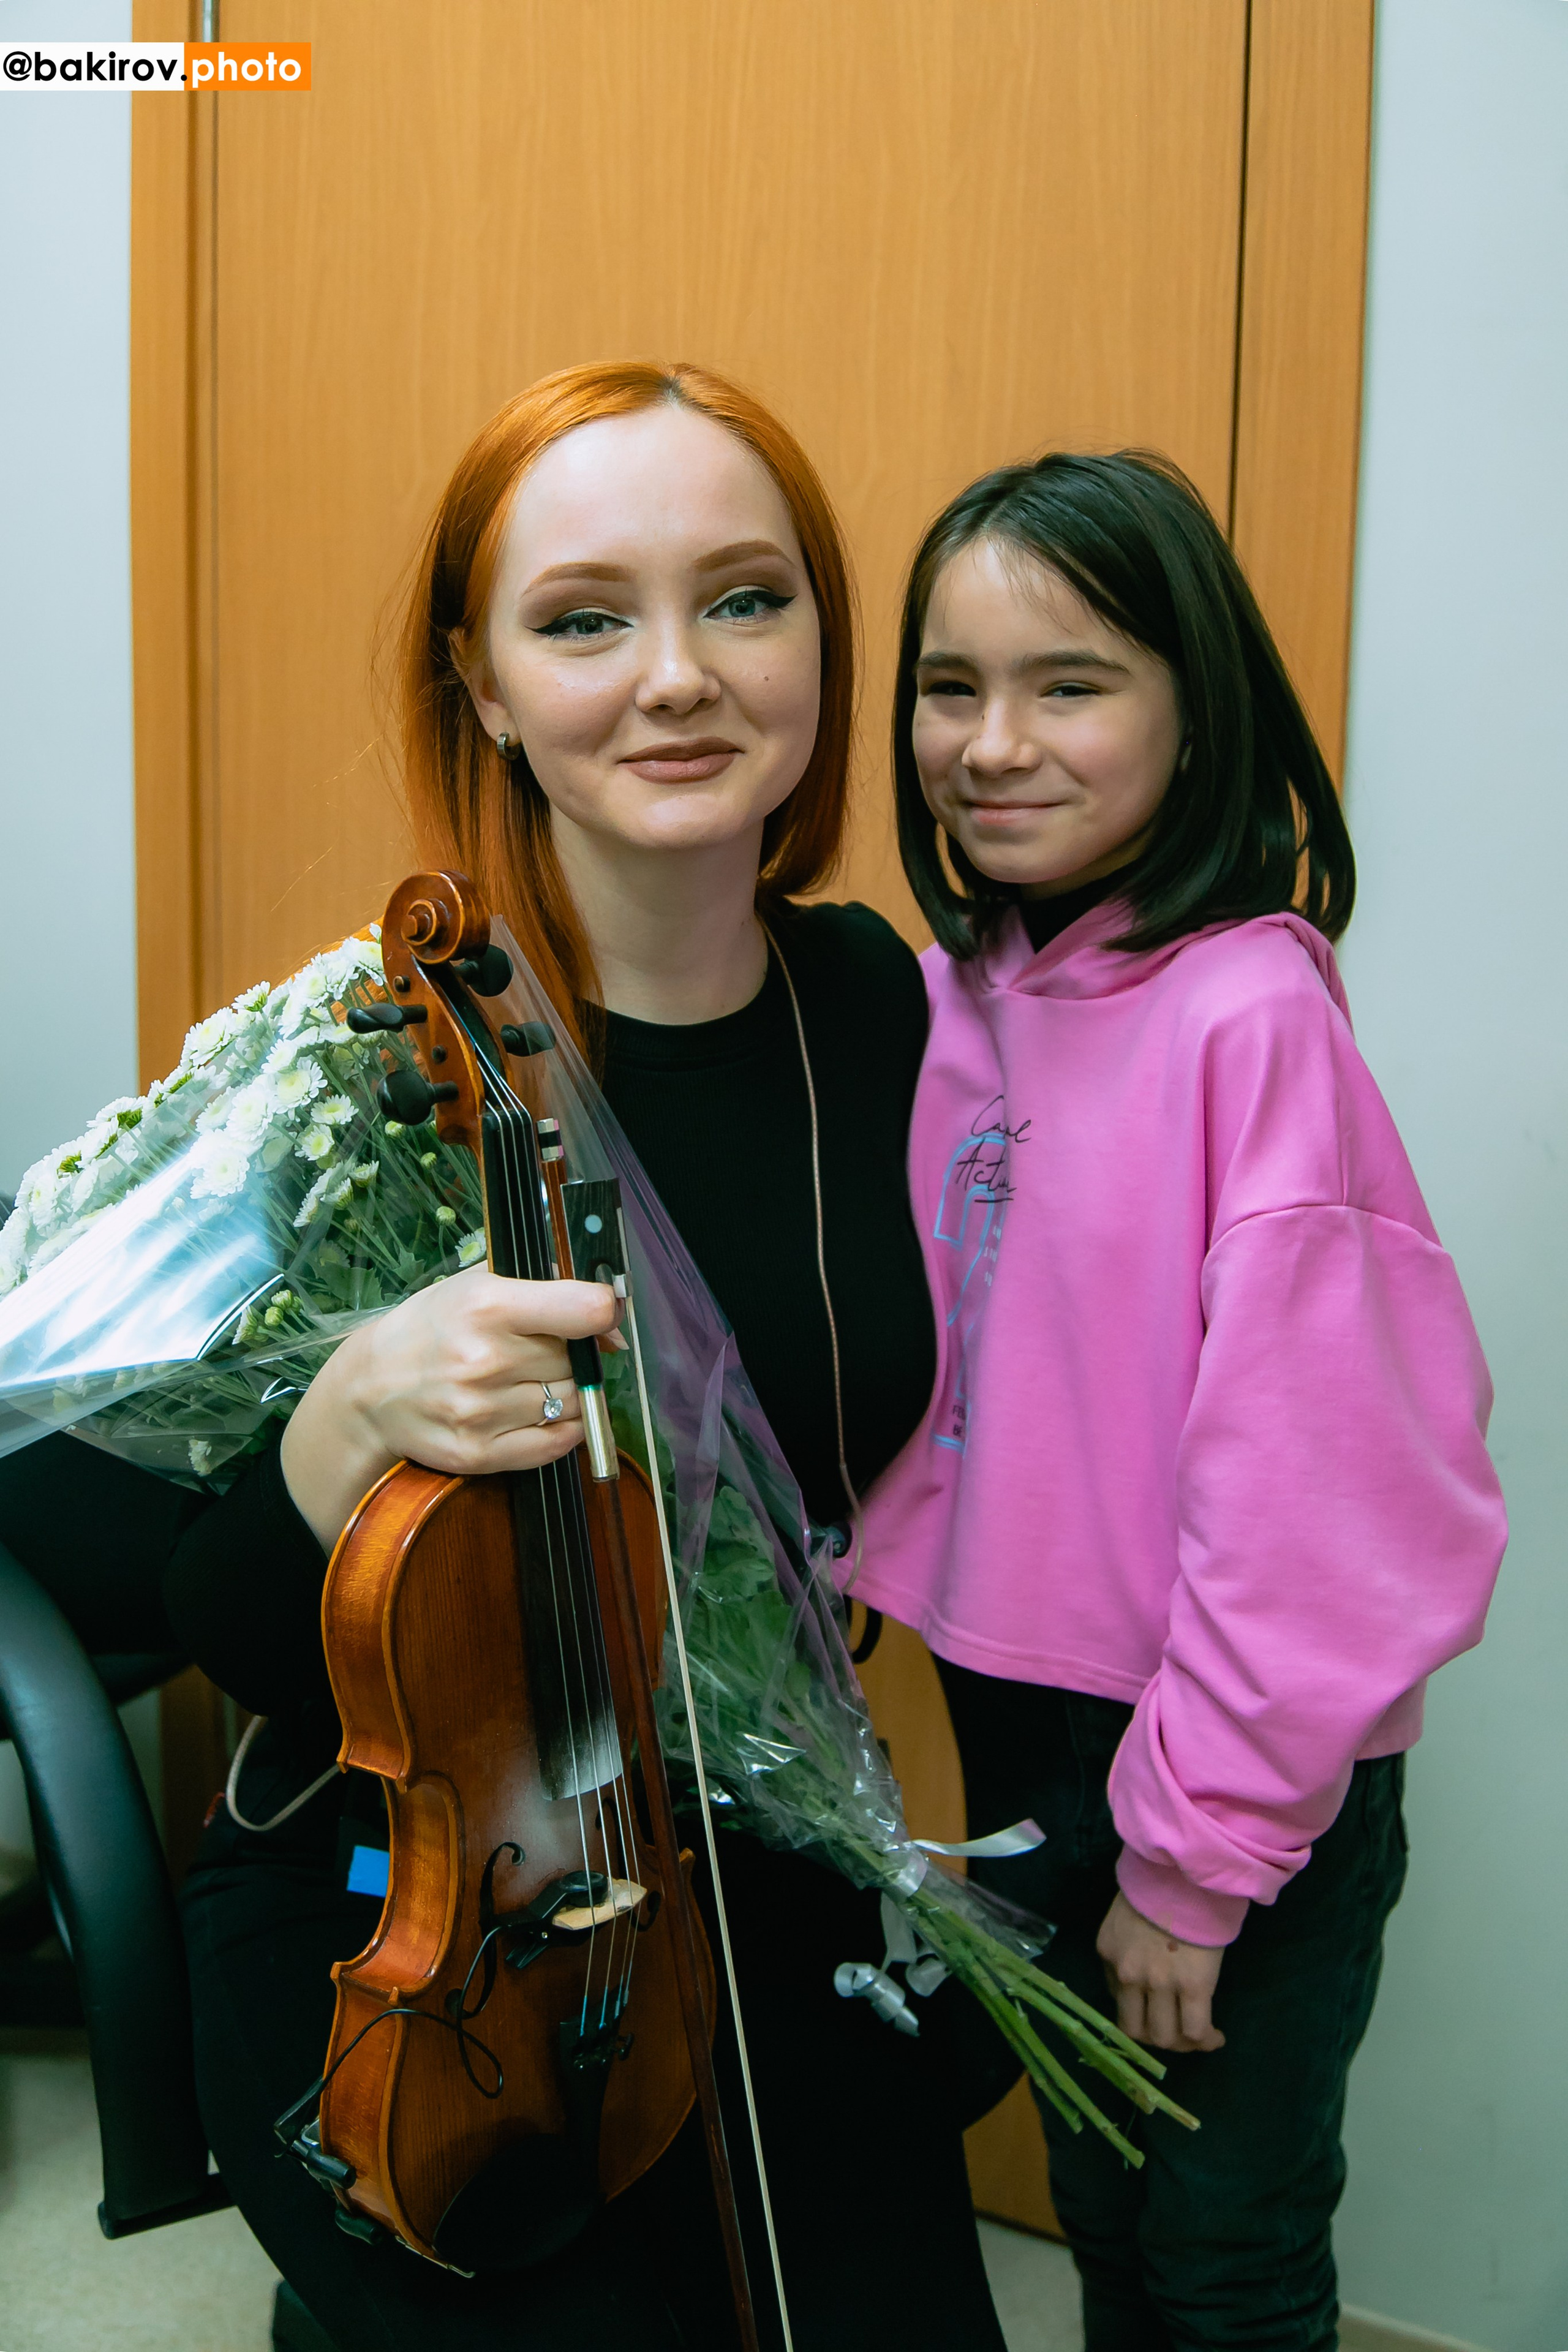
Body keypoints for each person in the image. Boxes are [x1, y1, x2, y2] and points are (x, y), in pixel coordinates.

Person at [0, 364, 1007, 2352]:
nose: (677, 679)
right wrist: (334, 1425)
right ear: (479, 680)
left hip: (763, 1868)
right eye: (581, 619)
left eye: (745, 598)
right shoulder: (357, 1075)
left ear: (824, 630)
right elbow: (62, 1539)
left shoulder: (880, 1001)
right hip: (423, 1923)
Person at [855, 450, 1509, 2350]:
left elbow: (1328, 1506)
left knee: (1224, 2253)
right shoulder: (943, 995)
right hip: (1024, 1724)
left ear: (1193, 708)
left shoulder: (1251, 1020)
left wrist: (1199, 1861)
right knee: (1098, 2206)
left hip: (1234, 1764)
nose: (993, 743)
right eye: (950, 685)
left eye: (1070, 684)